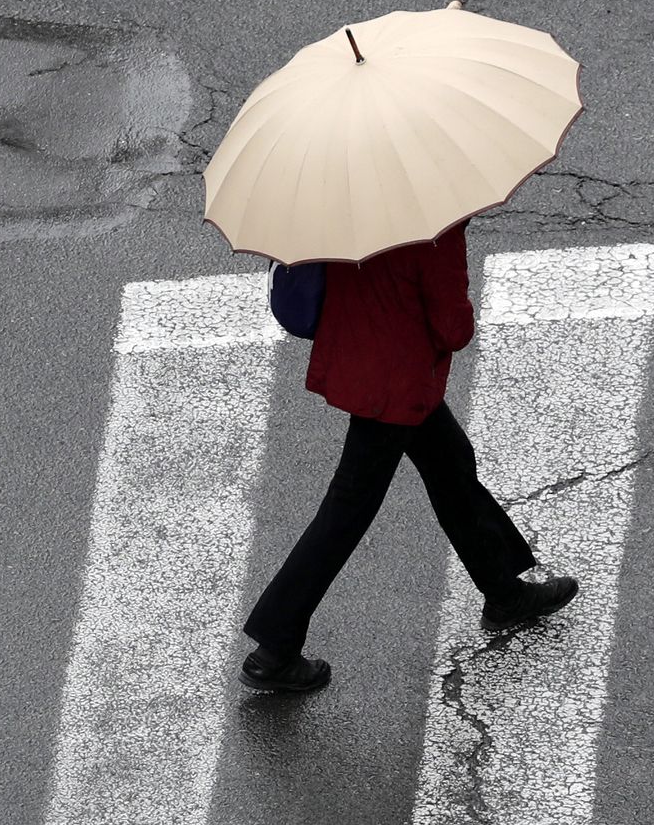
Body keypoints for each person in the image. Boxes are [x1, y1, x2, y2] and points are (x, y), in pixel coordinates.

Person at [238, 218, 579, 692]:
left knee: (451, 467)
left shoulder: (343, 199)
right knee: (347, 511)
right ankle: (274, 648)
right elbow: (452, 328)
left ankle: (504, 591)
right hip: (398, 383)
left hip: (363, 360)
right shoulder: (433, 226)